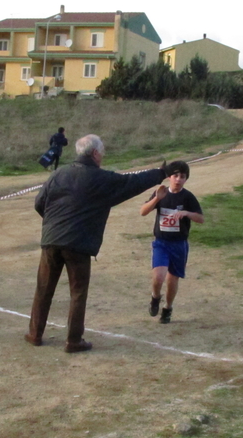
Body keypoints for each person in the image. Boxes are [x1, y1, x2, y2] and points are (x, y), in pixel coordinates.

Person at [26, 134, 169, 353]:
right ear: (94, 153)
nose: (102, 157)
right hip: (79, 243)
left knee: (43, 289)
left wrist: (54, 223)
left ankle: (35, 334)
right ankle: (73, 341)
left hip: (51, 239)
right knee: (78, 292)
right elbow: (132, 183)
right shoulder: (100, 178)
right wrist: (161, 173)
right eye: (101, 153)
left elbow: (39, 203)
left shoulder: (59, 173)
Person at [140, 160, 204, 324]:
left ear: (186, 179)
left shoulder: (188, 197)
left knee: (172, 280)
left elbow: (200, 218)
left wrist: (186, 213)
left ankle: (167, 308)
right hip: (161, 242)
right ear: (169, 177)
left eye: (182, 176)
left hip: (179, 244)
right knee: (158, 276)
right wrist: (156, 200)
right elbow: (143, 212)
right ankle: (155, 297)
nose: (178, 179)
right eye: (175, 175)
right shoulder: (161, 193)